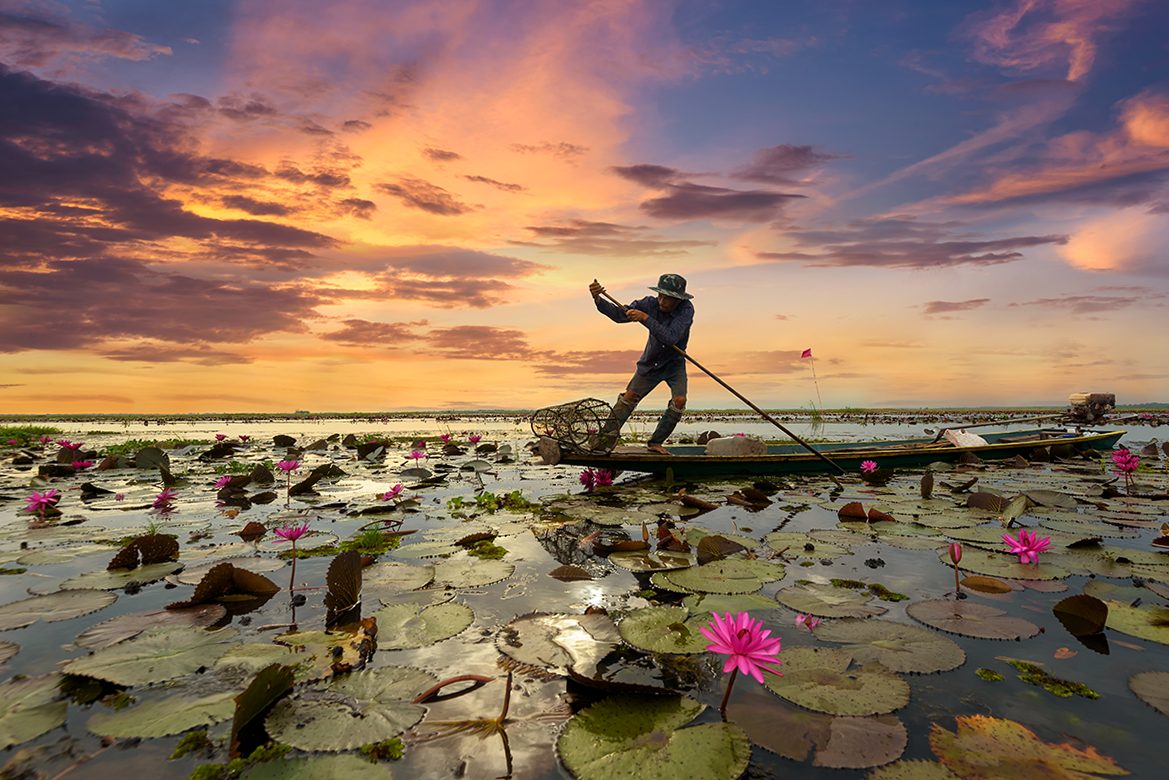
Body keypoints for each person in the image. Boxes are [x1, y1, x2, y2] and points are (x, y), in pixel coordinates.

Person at [588, 273, 694, 454]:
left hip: (674, 363)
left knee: (680, 400)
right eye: (660, 295)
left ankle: (655, 443)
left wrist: (646, 318)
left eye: (667, 298)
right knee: (629, 397)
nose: (661, 301)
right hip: (651, 362)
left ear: (677, 299)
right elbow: (619, 315)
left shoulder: (686, 310)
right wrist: (598, 298)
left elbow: (670, 338)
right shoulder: (649, 303)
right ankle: (603, 440)